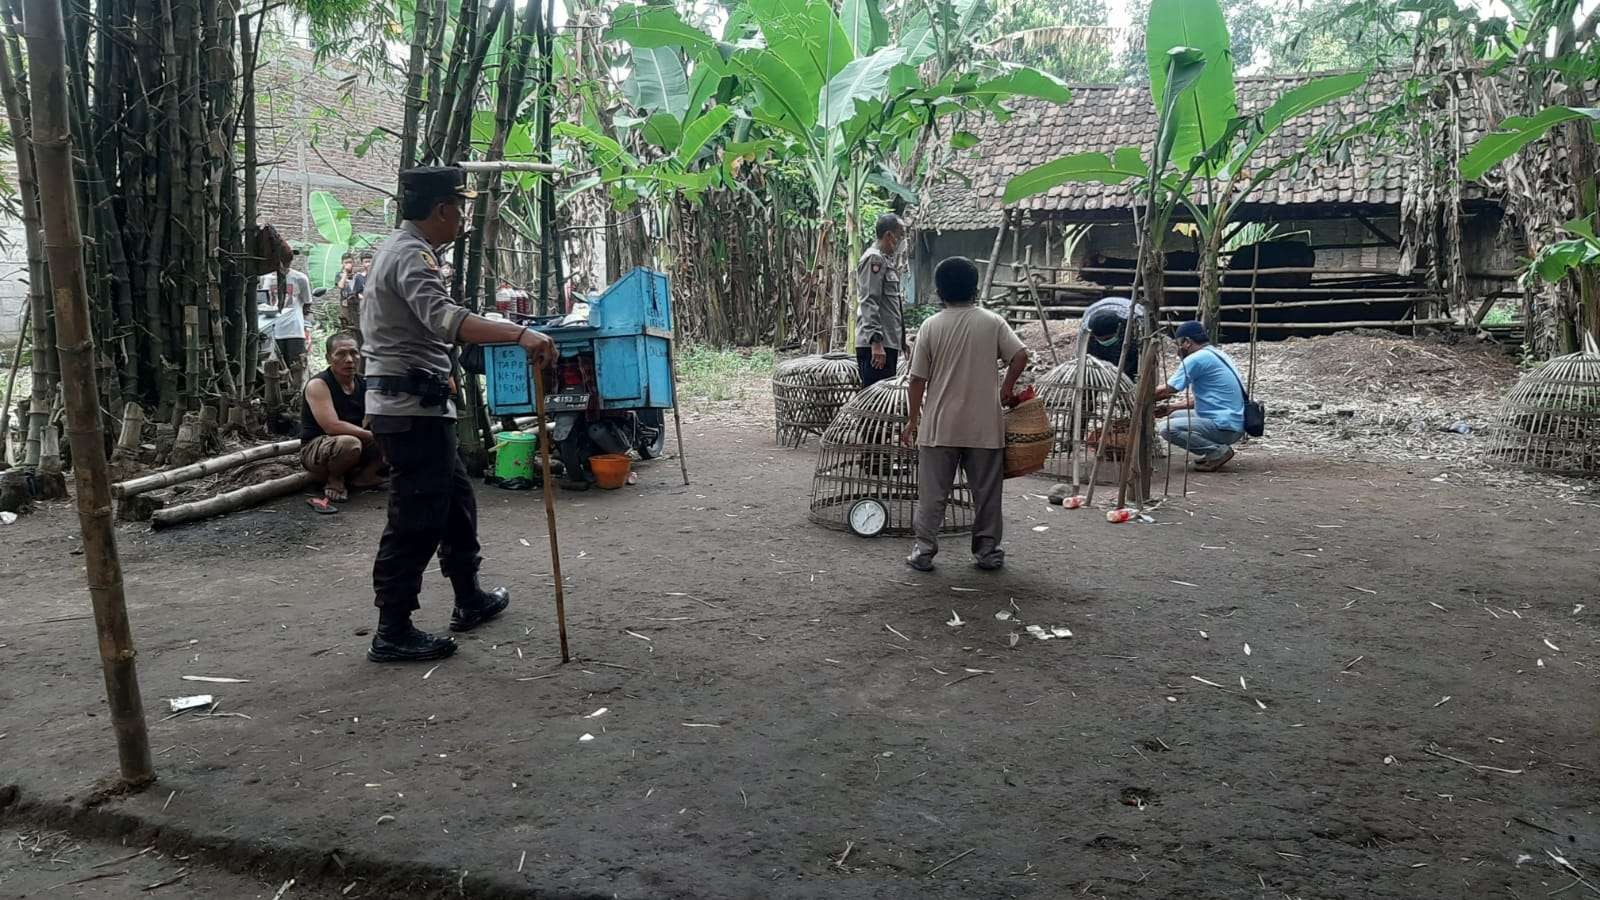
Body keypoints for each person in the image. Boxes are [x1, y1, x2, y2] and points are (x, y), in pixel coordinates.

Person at [360, 165, 557, 664]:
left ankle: (468, 598)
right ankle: (393, 629)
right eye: (460, 207)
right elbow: (446, 320)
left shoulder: (405, 251)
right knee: (417, 517)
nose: (462, 217)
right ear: (443, 209)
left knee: (455, 506)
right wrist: (518, 334)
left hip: (421, 404)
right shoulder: (410, 255)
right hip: (410, 410)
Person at [901, 256, 1030, 572]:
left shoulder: (931, 326)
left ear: (940, 290)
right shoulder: (992, 321)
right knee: (986, 494)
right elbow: (1020, 355)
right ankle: (987, 552)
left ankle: (924, 550)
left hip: (939, 426)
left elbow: (917, 379)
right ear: (975, 289)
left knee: (932, 494)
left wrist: (913, 419)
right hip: (984, 427)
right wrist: (1005, 388)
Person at [300, 332, 383, 503]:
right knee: (350, 443)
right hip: (319, 448)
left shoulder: (364, 383)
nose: (350, 359)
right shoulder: (319, 385)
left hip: (356, 442)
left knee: (397, 433)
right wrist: (373, 436)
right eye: (341, 354)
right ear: (329, 358)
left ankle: (365, 476)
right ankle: (334, 479)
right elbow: (332, 426)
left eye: (354, 353)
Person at [1154, 320, 1246, 472]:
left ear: (1187, 342)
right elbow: (1208, 398)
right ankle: (1214, 450)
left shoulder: (1196, 358)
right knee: (1175, 415)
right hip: (1235, 422)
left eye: (1178, 344)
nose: (1177, 351)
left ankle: (1217, 452)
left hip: (1226, 427)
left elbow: (1168, 390)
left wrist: (1136, 396)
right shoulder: (1216, 353)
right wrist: (1171, 407)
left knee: (1166, 429)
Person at [854, 214, 906, 388]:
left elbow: (891, 306)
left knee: (882, 407)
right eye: (901, 235)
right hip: (876, 346)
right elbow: (869, 300)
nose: (902, 240)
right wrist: (876, 343)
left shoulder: (885, 260)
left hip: (887, 342)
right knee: (874, 404)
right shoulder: (874, 259)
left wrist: (902, 340)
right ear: (889, 235)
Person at [259, 255, 313, 386]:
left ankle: (298, 393)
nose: (284, 264)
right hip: (272, 329)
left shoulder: (300, 278)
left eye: (287, 260)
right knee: (275, 368)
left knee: (296, 365)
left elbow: (307, 303)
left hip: (294, 329)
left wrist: (305, 325)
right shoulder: (266, 278)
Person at [1080, 295, 1144, 379]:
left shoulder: (1135, 323)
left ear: (1118, 329)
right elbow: (1082, 353)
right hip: (1096, 310)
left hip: (1127, 317)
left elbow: (1141, 355)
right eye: (1100, 339)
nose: (1104, 341)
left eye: (1107, 339)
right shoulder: (1086, 328)